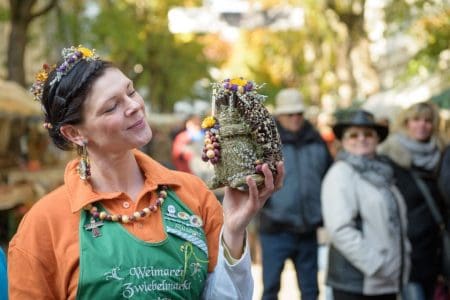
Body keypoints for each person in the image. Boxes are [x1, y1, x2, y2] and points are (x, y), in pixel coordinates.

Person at [8, 45, 284, 299]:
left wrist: (234, 230)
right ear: (74, 133)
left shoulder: (192, 194)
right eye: (111, 107)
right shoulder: (43, 225)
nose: (134, 106)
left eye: (130, 91)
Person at [321, 109, 410, 300]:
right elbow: (340, 230)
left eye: (368, 134)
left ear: (377, 138)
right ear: (344, 141)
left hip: (385, 281)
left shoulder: (384, 173)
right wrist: (377, 265)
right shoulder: (341, 174)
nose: (361, 139)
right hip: (358, 282)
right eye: (354, 134)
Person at [258, 88, 333, 300]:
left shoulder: (317, 141)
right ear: (279, 115)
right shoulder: (265, 144)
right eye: (290, 114)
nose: (295, 118)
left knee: (310, 291)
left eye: (299, 113)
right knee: (271, 289)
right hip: (275, 229)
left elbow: (328, 177)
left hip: (308, 229)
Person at [378, 101, 446, 300]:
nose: (422, 125)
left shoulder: (441, 156)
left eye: (427, 121)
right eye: (416, 120)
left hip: (436, 252)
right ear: (406, 123)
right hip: (407, 252)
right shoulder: (390, 157)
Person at [171, 114, 213, 182]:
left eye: (197, 123)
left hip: (206, 170)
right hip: (188, 172)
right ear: (188, 124)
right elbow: (176, 154)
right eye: (194, 123)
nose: (196, 125)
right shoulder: (182, 137)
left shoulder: (206, 136)